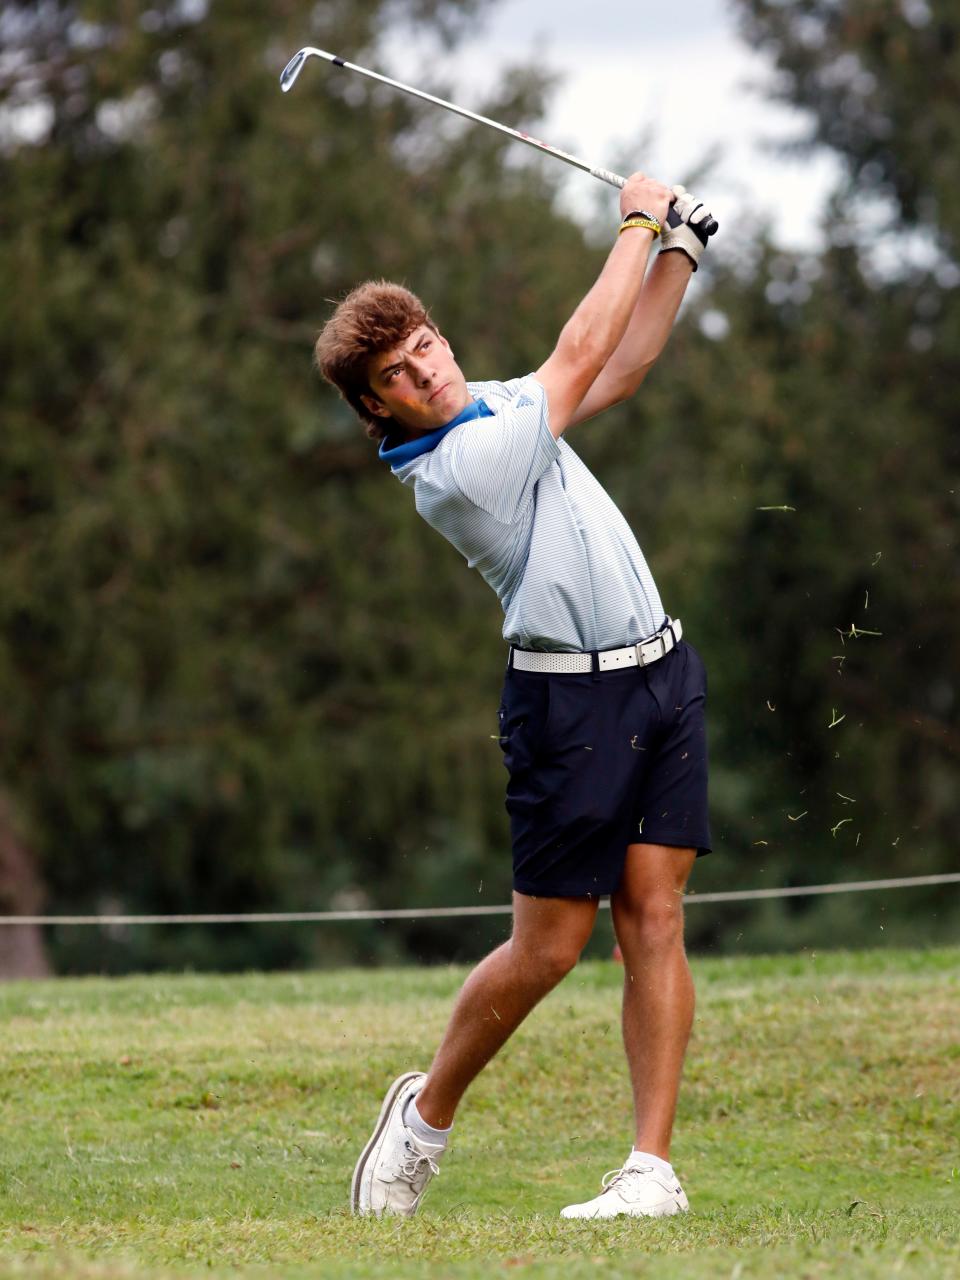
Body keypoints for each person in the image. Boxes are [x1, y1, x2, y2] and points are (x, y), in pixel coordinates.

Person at [315, 173, 716, 1220]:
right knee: (550, 948)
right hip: (564, 710)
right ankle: (424, 1115)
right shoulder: (455, 467)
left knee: (655, 915)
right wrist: (637, 220)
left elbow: (617, 369)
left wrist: (681, 254)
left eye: (427, 346)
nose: (428, 371)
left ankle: (650, 1169)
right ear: (376, 407)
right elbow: (580, 352)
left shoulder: (492, 399)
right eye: (399, 374)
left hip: (660, 671)